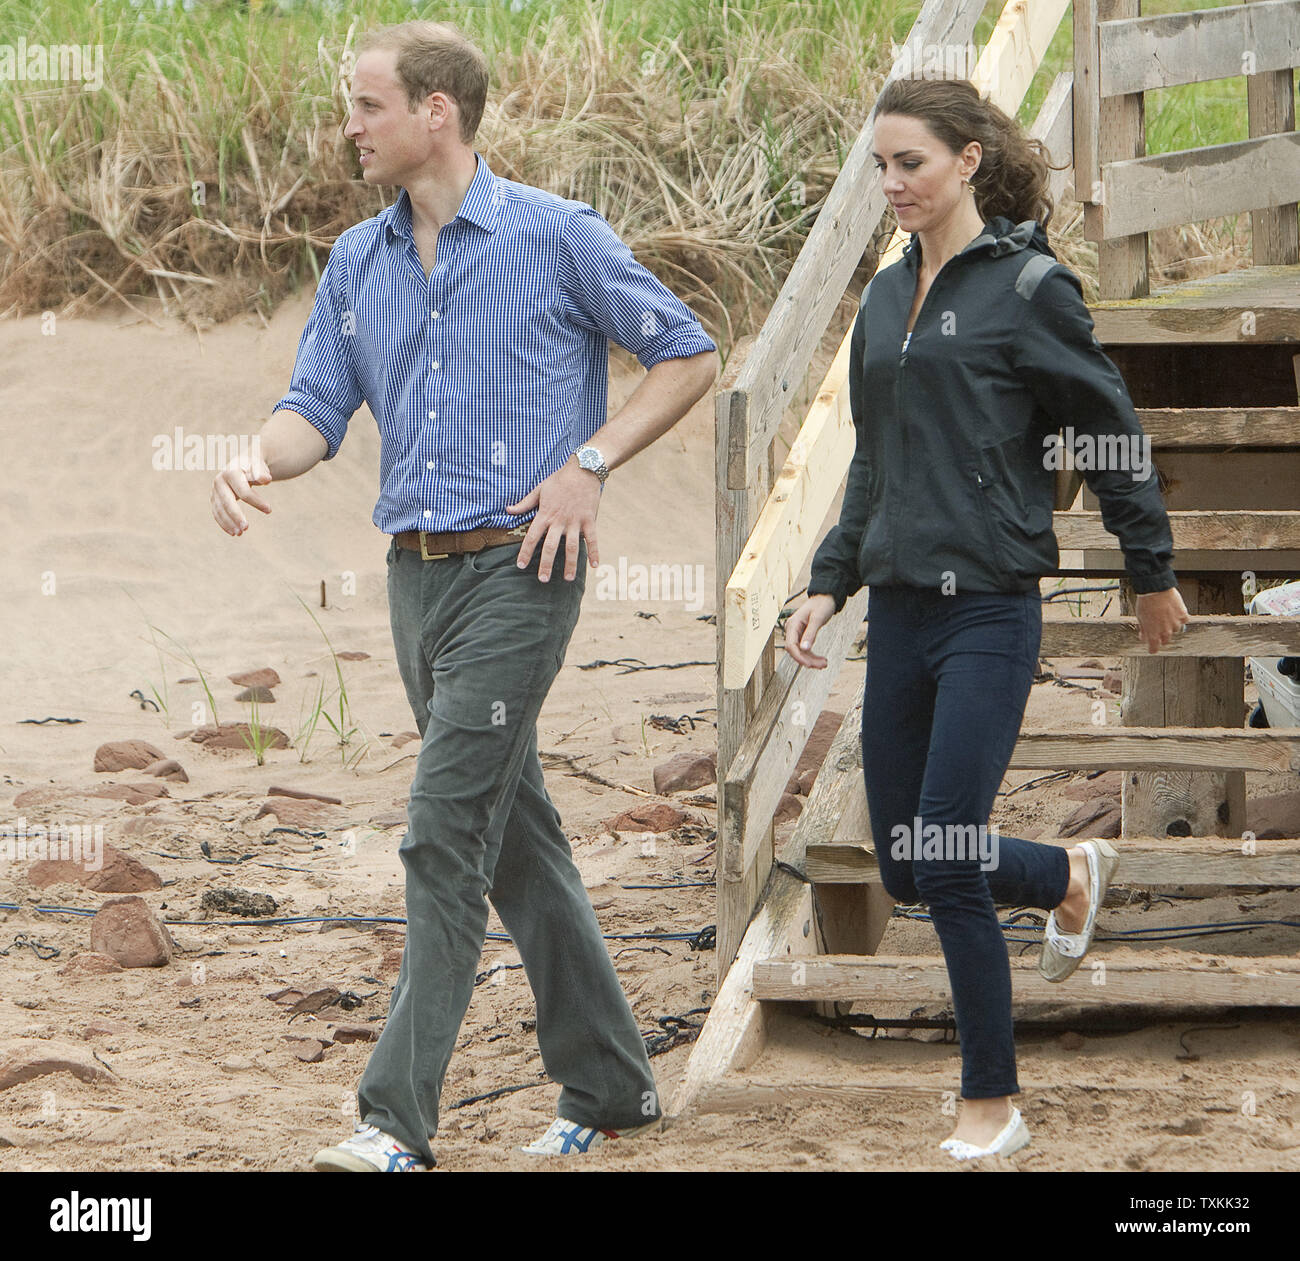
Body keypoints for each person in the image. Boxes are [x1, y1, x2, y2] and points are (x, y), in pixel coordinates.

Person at [209, 20, 718, 1170]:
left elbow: (686, 353)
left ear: (437, 110)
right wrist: (251, 457)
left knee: (442, 832)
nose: (351, 125)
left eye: (368, 105)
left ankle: (394, 1121)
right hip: (414, 579)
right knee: (515, 835)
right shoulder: (358, 259)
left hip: (521, 567)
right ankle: (612, 1086)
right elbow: (316, 410)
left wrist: (590, 466)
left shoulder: (554, 235)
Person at [785, 77, 1189, 1162]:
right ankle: (1062, 875)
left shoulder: (1028, 289)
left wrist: (1149, 569)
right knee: (910, 863)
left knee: (948, 848)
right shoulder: (882, 299)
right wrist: (828, 578)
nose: (892, 184)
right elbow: (874, 457)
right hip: (903, 614)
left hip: (991, 612)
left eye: (909, 162)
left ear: (967, 160)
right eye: (879, 165)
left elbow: (1111, 429)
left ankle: (990, 1104)